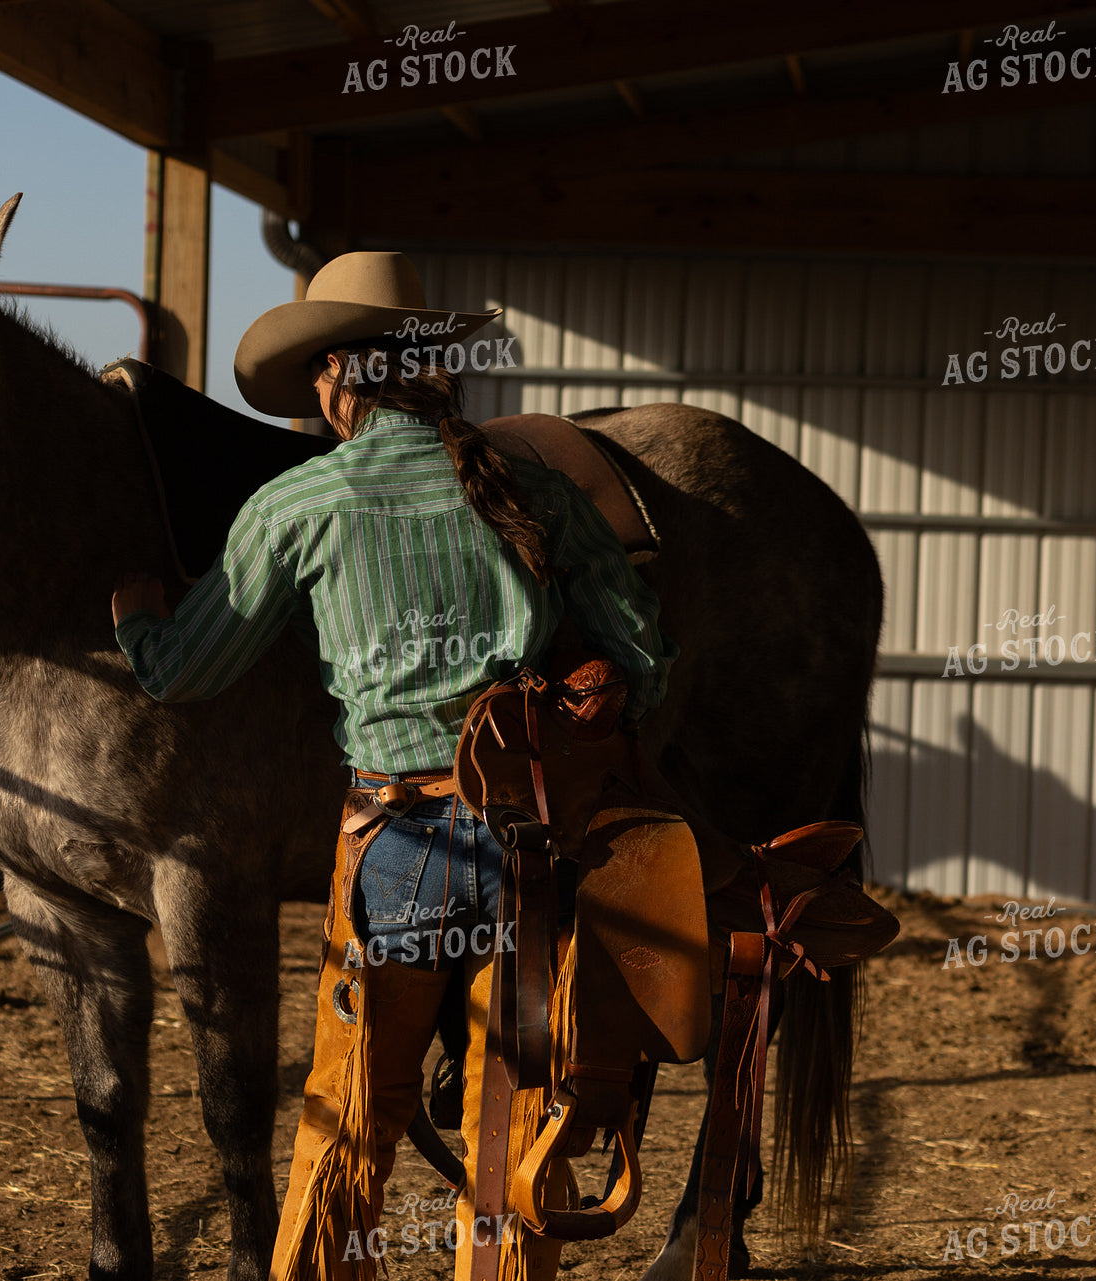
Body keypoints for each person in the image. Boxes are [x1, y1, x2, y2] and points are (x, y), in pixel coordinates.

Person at [111, 251, 677, 1281]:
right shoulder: (532, 486)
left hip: (395, 851)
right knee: (516, 1125)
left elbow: (184, 672)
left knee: (348, 1124)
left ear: (335, 379)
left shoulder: (301, 506)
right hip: (535, 850)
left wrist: (137, 617)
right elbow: (642, 653)